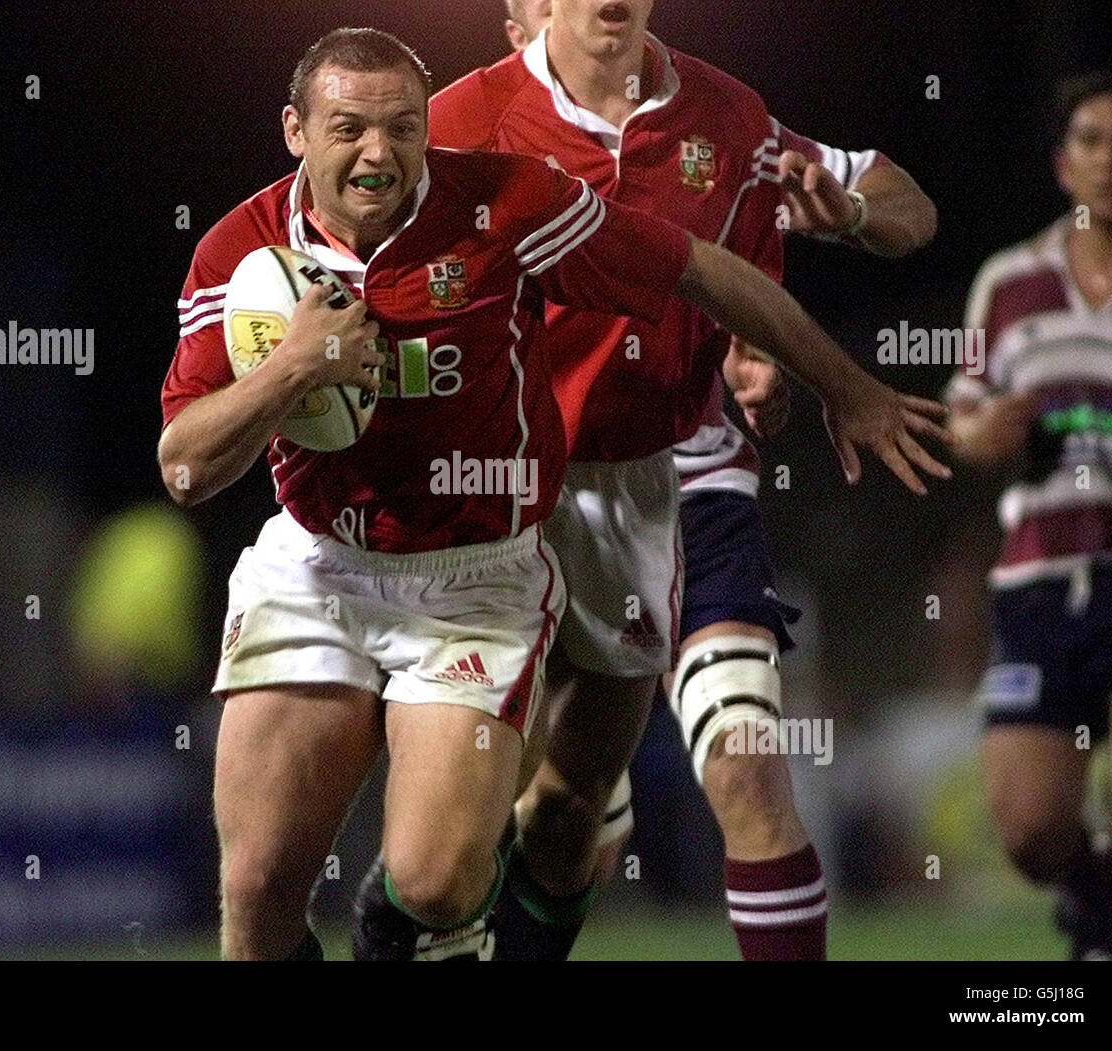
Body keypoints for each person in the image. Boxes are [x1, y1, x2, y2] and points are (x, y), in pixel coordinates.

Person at [159, 25, 946, 962]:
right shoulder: (241, 255)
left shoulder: (505, 200)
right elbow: (186, 466)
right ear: (295, 130)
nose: (380, 153)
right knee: (254, 891)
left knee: (447, 875)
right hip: (319, 565)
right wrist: (289, 370)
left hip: (487, 570)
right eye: (348, 130)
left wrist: (842, 384)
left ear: (425, 130)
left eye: (400, 129)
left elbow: (702, 268)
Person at [947, 68, 1112, 961]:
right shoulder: (1010, 283)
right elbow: (962, 422)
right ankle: (1101, 909)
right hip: (1038, 582)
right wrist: (988, 431)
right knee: (1028, 829)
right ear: (1065, 164)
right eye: (1093, 141)